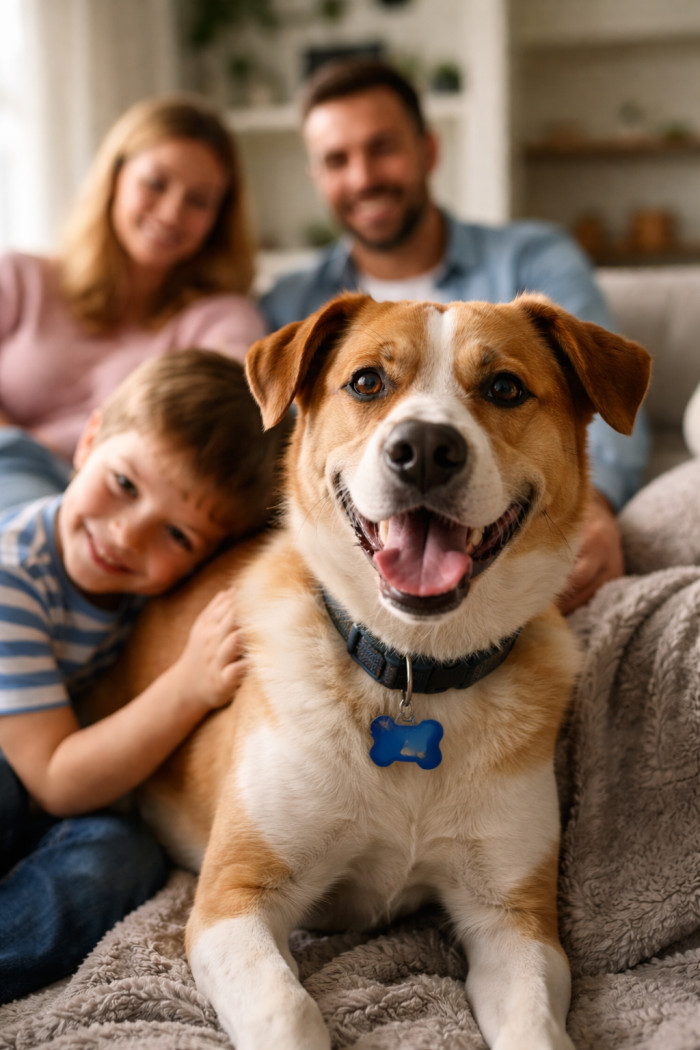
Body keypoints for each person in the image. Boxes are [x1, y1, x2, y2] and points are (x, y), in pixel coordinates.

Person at [260, 58, 651, 613]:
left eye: (382, 147)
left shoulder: (531, 259)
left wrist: (598, 508)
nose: (363, 176)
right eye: (336, 159)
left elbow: (603, 406)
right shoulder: (290, 303)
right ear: (317, 176)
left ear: (429, 151)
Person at [0, 348, 288, 1004]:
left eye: (177, 537)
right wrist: (187, 687)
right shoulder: (11, 577)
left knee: (122, 859)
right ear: (90, 438)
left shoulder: (143, 590)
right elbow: (55, 779)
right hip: (31, 767)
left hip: (58, 775)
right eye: (124, 484)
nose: (128, 537)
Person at [0, 94, 266, 513]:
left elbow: (216, 427)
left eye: (198, 200)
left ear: (219, 217)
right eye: (155, 183)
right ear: (115, 177)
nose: (171, 212)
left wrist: (44, 445)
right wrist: (26, 452)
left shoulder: (222, 318)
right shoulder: (18, 277)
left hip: (121, 514)